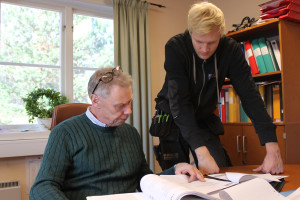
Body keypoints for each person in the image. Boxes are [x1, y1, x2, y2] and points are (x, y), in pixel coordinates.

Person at [30, 66, 204, 200]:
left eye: (129, 103)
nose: (129, 111)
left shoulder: (130, 133)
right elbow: (43, 187)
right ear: (95, 100)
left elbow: (143, 178)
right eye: (120, 105)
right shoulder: (65, 133)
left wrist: (175, 170)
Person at [153, 2, 283, 175]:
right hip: (173, 116)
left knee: (218, 170)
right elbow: (180, 103)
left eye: (212, 43)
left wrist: (272, 147)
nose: (205, 49)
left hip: (203, 118)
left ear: (220, 35)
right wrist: (201, 151)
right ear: (190, 32)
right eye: (199, 42)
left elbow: (250, 96)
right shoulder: (176, 47)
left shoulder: (231, 50)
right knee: (180, 175)